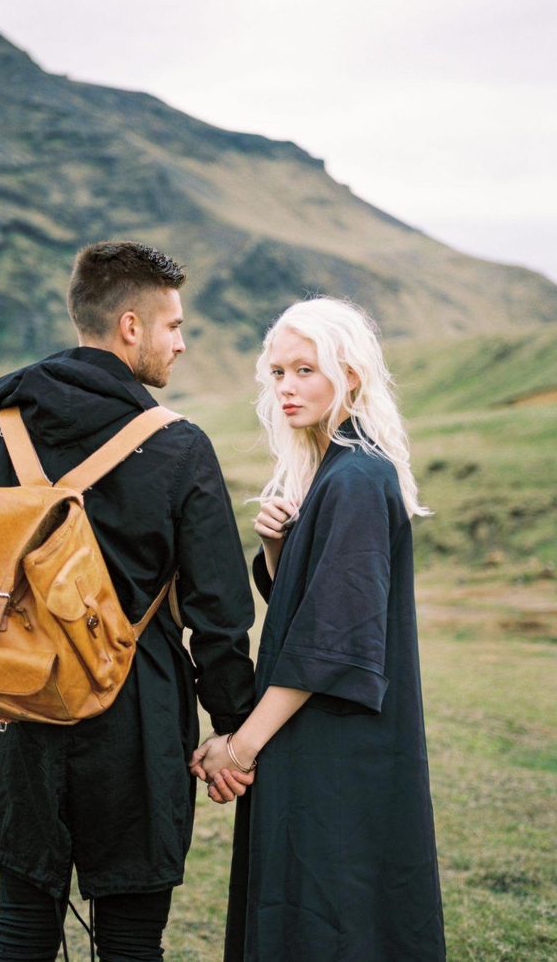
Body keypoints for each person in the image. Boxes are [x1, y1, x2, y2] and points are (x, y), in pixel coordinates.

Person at [0, 241, 256, 961]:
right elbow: (220, 615)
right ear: (130, 326)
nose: (181, 344)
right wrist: (235, 731)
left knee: (22, 930)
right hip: (137, 719)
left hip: (18, 710)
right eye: (174, 326)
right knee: (128, 941)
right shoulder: (180, 446)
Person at [190, 298, 446, 961]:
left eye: (305, 369)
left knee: (331, 923)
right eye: (277, 372)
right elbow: (313, 607)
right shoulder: (332, 471)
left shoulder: (358, 476)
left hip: (340, 755)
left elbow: (330, 645)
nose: (286, 387)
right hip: (314, 746)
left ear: (350, 375)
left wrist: (240, 748)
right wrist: (279, 548)